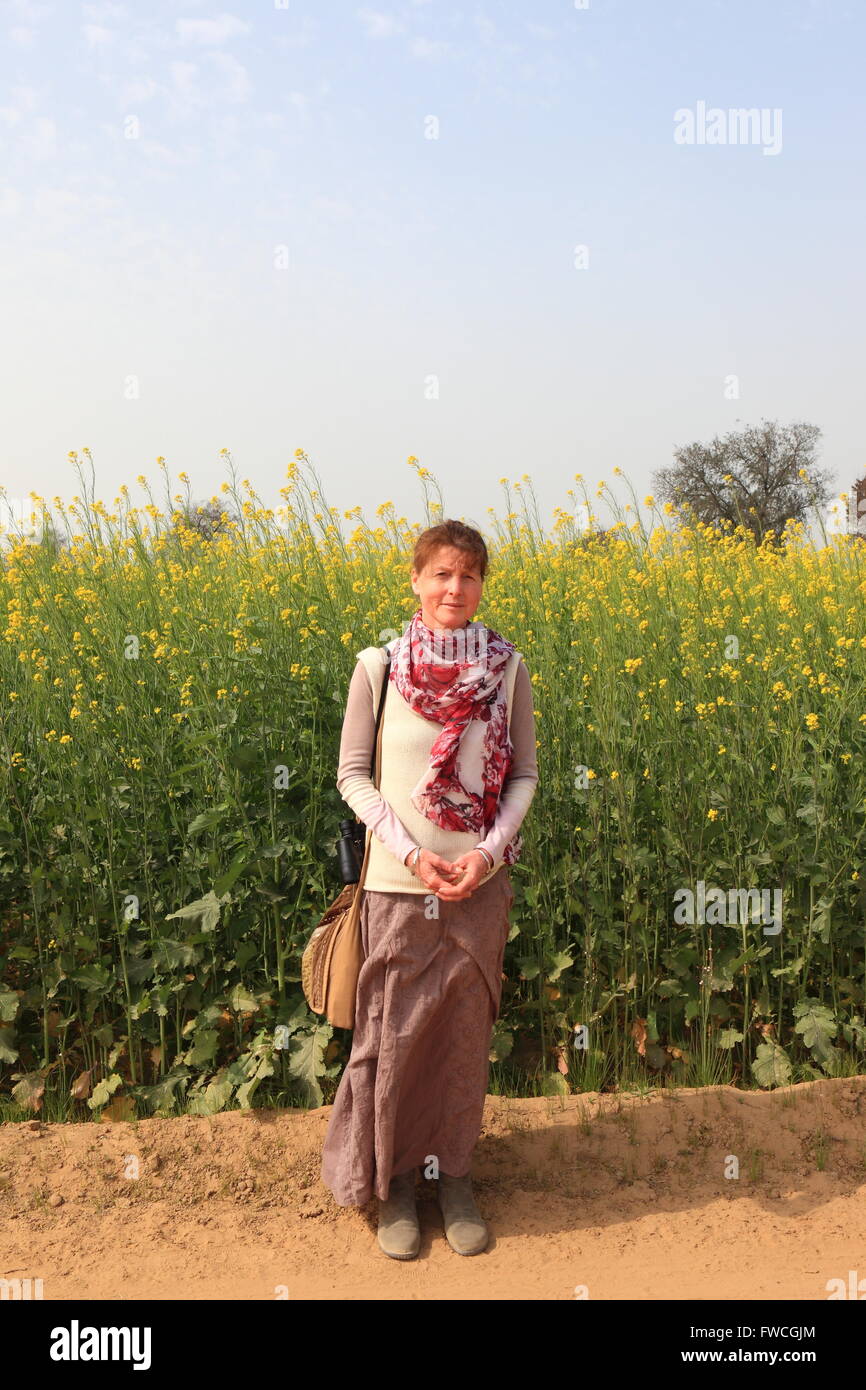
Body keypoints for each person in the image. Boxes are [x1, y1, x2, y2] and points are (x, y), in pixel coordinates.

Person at [320, 518, 539, 1259]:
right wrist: (414, 855)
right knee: (392, 1034)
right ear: (415, 580)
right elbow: (353, 774)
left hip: (478, 884)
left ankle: (457, 1179)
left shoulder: (507, 671)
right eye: (442, 574)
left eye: (470, 575)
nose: (456, 588)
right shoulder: (379, 666)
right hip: (395, 883)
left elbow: (523, 776)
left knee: (462, 1035)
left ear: (483, 586)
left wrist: (486, 852)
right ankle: (397, 1186)